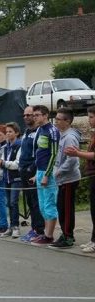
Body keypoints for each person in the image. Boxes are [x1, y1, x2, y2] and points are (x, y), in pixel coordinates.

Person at [49, 108, 81, 249]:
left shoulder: (69, 137)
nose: (55, 122)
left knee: (66, 209)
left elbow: (72, 160)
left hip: (69, 179)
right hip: (62, 179)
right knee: (61, 208)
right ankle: (65, 233)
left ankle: (68, 236)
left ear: (67, 121)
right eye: (55, 119)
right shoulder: (62, 135)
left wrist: (58, 172)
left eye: (58, 120)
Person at [65, 106, 95, 253]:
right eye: (89, 117)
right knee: (93, 209)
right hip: (91, 175)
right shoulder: (93, 134)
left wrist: (77, 153)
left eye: (91, 117)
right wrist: (79, 153)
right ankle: (93, 239)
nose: (89, 120)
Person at [29, 105, 60, 246]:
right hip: (40, 171)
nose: (34, 117)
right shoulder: (39, 130)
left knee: (49, 204)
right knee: (42, 205)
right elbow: (39, 153)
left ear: (45, 115)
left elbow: (53, 154)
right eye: (33, 115)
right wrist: (37, 174)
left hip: (49, 172)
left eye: (37, 115)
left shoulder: (52, 131)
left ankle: (49, 235)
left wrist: (47, 175)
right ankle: (45, 233)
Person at [18, 106, 45, 242]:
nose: (26, 118)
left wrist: (31, 168)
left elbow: (41, 153)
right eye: (25, 115)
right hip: (23, 170)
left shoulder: (40, 132)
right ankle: (34, 227)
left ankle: (39, 229)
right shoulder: (26, 132)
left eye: (29, 115)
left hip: (33, 171)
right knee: (30, 201)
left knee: (36, 201)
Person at [0, 122, 21, 238]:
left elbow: (17, 164)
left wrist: (3, 163)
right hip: (7, 178)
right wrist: (0, 164)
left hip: (16, 178)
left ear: (17, 133)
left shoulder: (19, 145)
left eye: (10, 132)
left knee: (14, 202)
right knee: (9, 203)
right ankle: (10, 226)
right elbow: (2, 161)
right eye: (7, 132)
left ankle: (15, 227)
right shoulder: (6, 147)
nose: (8, 134)